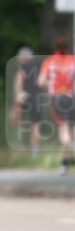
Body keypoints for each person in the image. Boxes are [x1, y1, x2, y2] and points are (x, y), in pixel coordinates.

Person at [38, 37, 75, 174]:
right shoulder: (73, 60)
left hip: (57, 98)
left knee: (63, 128)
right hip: (72, 97)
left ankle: (65, 163)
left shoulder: (49, 62)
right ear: (67, 48)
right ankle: (69, 156)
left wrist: (50, 85)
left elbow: (41, 81)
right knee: (71, 126)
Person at [13, 47, 45, 154]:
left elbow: (18, 85)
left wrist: (17, 103)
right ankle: (35, 151)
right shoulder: (39, 67)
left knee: (17, 121)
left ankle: (18, 147)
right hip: (37, 98)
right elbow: (43, 83)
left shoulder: (22, 69)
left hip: (25, 98)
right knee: (36, 125)